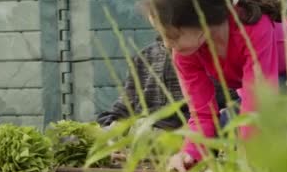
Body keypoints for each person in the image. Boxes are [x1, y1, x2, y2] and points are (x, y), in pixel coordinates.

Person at [141, 0, 287, 172]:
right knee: (225, 129)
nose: (168, 44)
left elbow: (260, 103)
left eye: (173, 35)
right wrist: (189, 153)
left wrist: (249, 162)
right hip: (265, 92)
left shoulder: (255, 30)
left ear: (202, 20)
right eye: (163, 37)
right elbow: (203, 115)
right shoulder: (186, 53)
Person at [96, 36, 240, 130]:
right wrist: (111, 125)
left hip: (193, 138)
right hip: (144, 138)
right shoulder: (144, 57)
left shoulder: (212, 56)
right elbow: (124, 108)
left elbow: (231, 106)